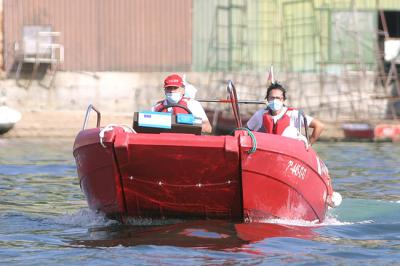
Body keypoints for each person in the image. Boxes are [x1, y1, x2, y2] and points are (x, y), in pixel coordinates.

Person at [246, 82, 324, 146]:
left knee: (289, 131)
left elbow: (319, 126)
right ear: (267, 99)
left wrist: (309, 144)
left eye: (278, 98)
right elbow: (246, 131)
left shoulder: (293, 114)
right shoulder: (259, 115)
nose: (274, 100)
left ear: (283, 100)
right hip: (266, 150)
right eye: (272, 98)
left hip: (290, 151)